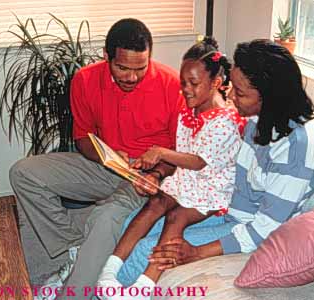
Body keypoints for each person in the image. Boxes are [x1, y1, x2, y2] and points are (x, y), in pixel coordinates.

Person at [109, 39, 314, 298]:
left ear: (270, 95)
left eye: (240, 93)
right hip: (226, 208)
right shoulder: (259, 118)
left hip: (248, 230)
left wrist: (197, 252)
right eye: (233, 87)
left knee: (146, 252)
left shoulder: (297, 149)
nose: (231, 96)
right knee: (126, 226)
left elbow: (264, 229)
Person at [9, 18, 183, 299]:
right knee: (24, 173)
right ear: (106, 56)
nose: (132, 77)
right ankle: (75, 249)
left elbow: (180, 153)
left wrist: (156, 174)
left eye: (141, 68)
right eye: (123, 68)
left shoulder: (171, 84)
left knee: (106, 215)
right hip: (107, 165)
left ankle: (74, 292)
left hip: (148, 177)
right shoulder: (85, 79)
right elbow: (83, 138)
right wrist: (108, 157)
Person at [96, 37, 247, 296]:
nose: (186, 89)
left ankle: (145, 283)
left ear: (216, 83)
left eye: (194, 84)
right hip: (186, 182)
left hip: (211, 192)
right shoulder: (189, 113)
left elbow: (198, 162)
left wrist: (160, 153)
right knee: (154, 204)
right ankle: (109, 272)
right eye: (183, 82)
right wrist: (153, 164)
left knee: (176, 217)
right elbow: (183, 160)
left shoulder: (225, 122)